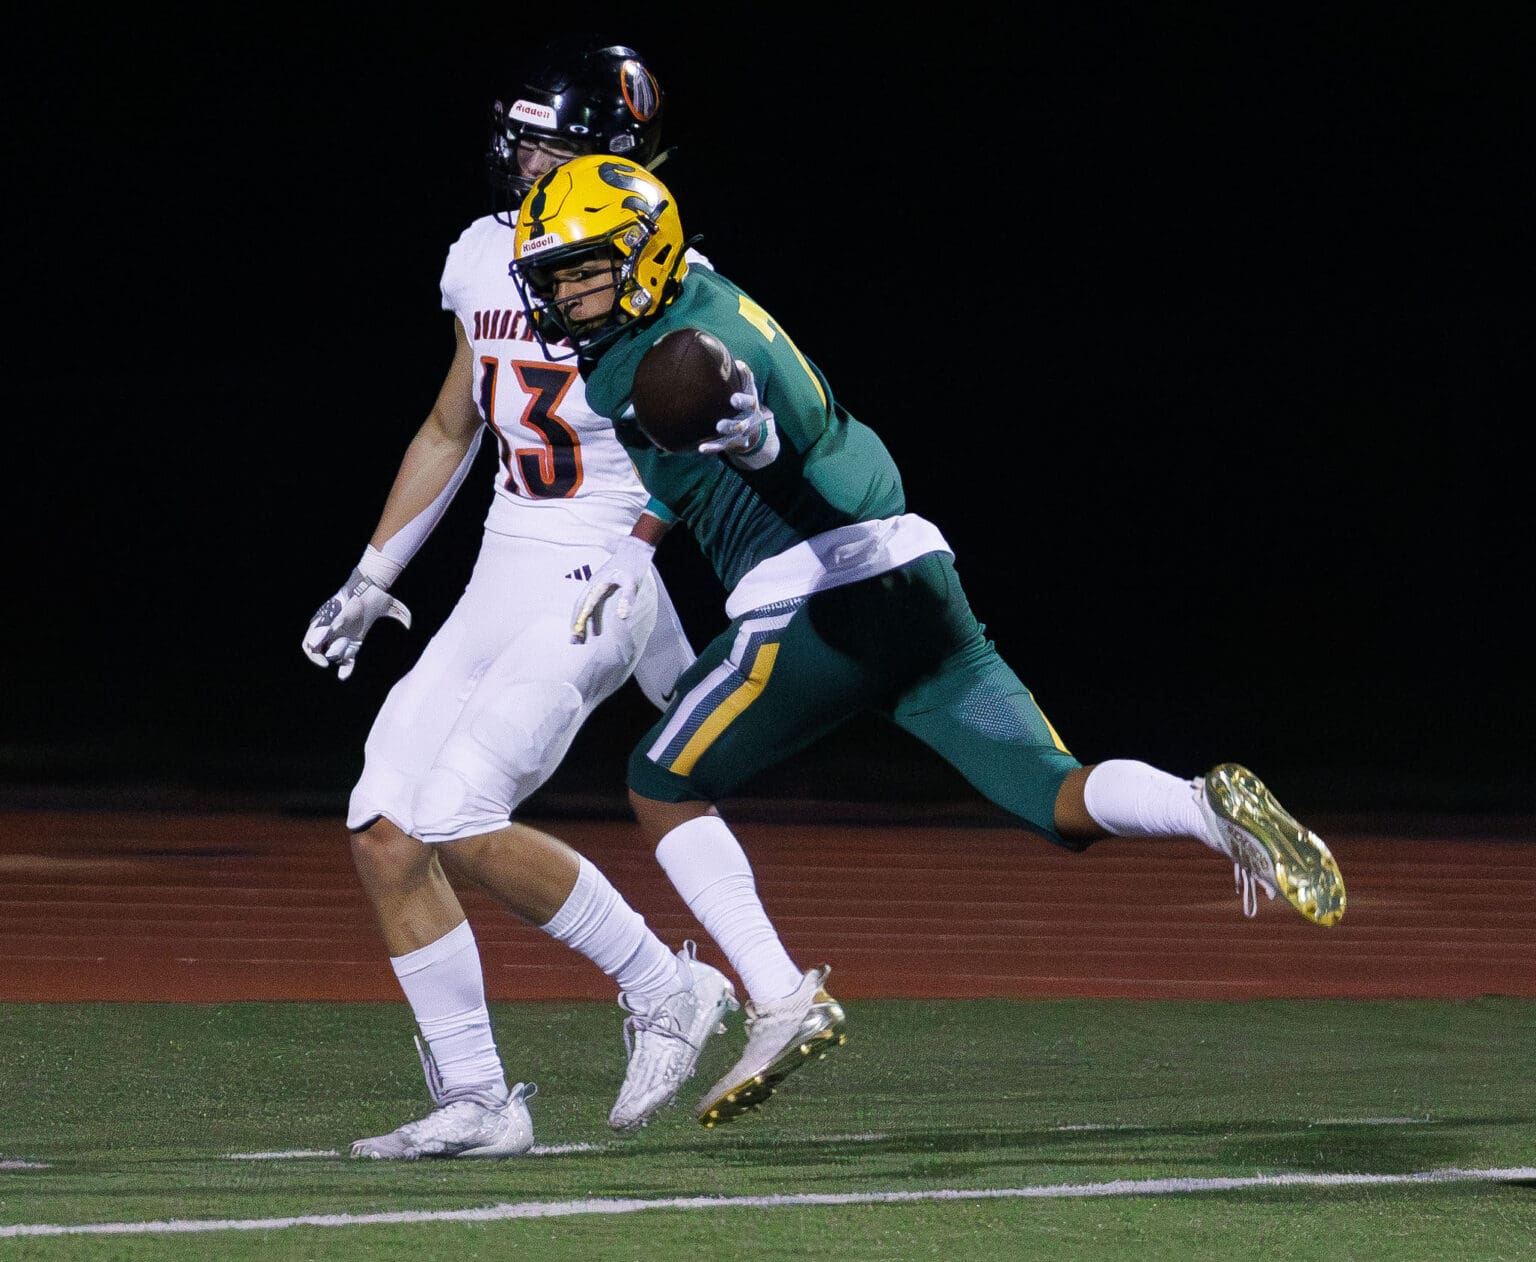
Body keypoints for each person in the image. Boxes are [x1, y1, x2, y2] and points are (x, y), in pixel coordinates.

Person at [504, 153, 1348, 1128]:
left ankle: (781, 998)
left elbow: (779, 417)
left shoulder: (694, 347)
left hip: (819, 595)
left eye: (584, 271)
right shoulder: (686, 305)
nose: (566, 296)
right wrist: (640, 538)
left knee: (661, 782)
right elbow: (688, 443)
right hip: (914, 574)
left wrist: (758, 441)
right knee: (1055, 793)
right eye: (556, 275)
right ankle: (1207, 808)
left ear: (643, 256)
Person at [300, 41, 736, 1157]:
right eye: (523, 136)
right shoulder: (483, 257)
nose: (523, 157)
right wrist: (373, 572)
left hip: (599, 566)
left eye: (549, 140)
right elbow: (456, 423)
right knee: (385, 827)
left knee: (463, 807)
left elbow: (703, 451)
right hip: (506, 559)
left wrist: (638, 559)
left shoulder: (664, 273)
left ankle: (666, 985)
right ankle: (481, 1100)